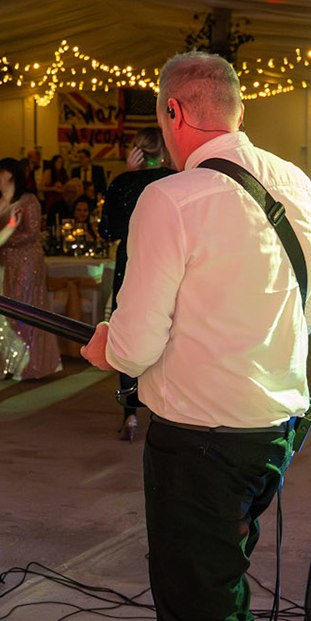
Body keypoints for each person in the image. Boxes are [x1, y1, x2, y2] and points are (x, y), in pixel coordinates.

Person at [82, 51, 311, 621]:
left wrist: (106, 349)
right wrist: (250, 340)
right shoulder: (293, 181)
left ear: (174, 113)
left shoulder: (170, 199)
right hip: (274, 431)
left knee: (206, 611)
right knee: (189, 591)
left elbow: (133, 345)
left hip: (199, 439)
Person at [100, 128, 175, 438]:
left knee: (128, 334)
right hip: (168, 261)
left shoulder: (123, 184)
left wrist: (128, 179)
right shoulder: (176, 180)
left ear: (136, 152)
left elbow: (108, 231)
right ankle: (164, 412)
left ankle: (130, 415)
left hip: (131, 262)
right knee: (169, 333)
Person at [0, 156, 60, 381]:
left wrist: (3, 239)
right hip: (3, 261)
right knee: (6, 308)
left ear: (10, 174)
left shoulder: (28, 200)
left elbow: (31, 232)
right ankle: (8, 362)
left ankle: (28, 363)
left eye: (0, 171)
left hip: (26, 259)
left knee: (25, 305)